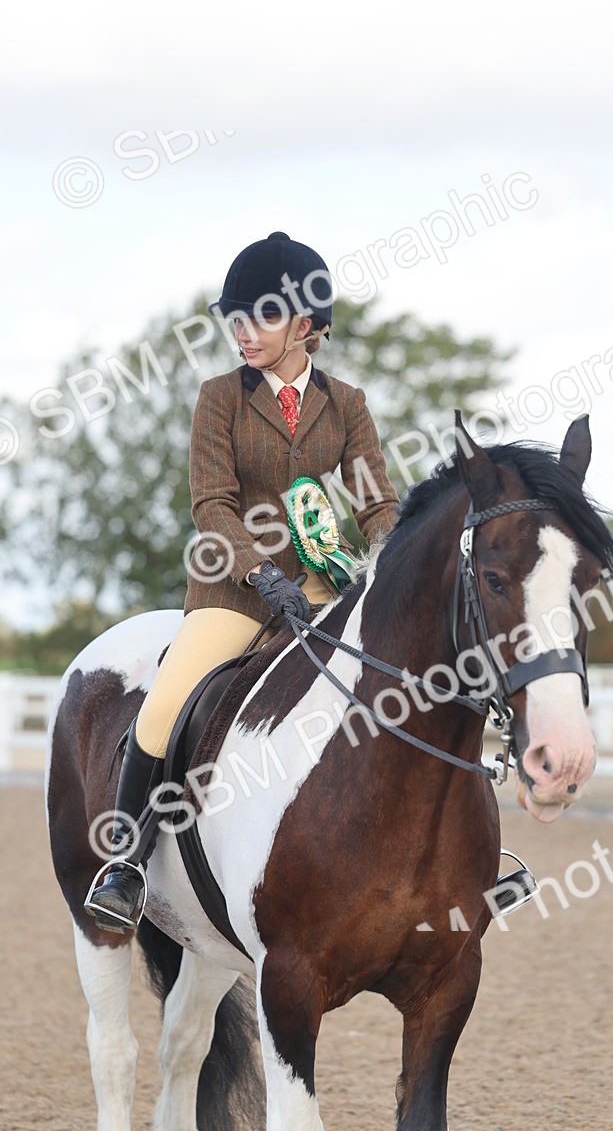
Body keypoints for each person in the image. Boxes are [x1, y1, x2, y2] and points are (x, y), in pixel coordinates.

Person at [85, 231, 400, 933]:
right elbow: (213, 505)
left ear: (307, 327)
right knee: (163, 708)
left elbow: (375, 498)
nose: (242, 331)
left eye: (259, 316)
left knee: (406, 674)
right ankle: (126, 865)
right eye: (235, 318)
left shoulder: (346, 403)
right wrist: (259, 571)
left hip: (321, 584)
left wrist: (396, 551)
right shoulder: (219, 398)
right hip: (233, 591)